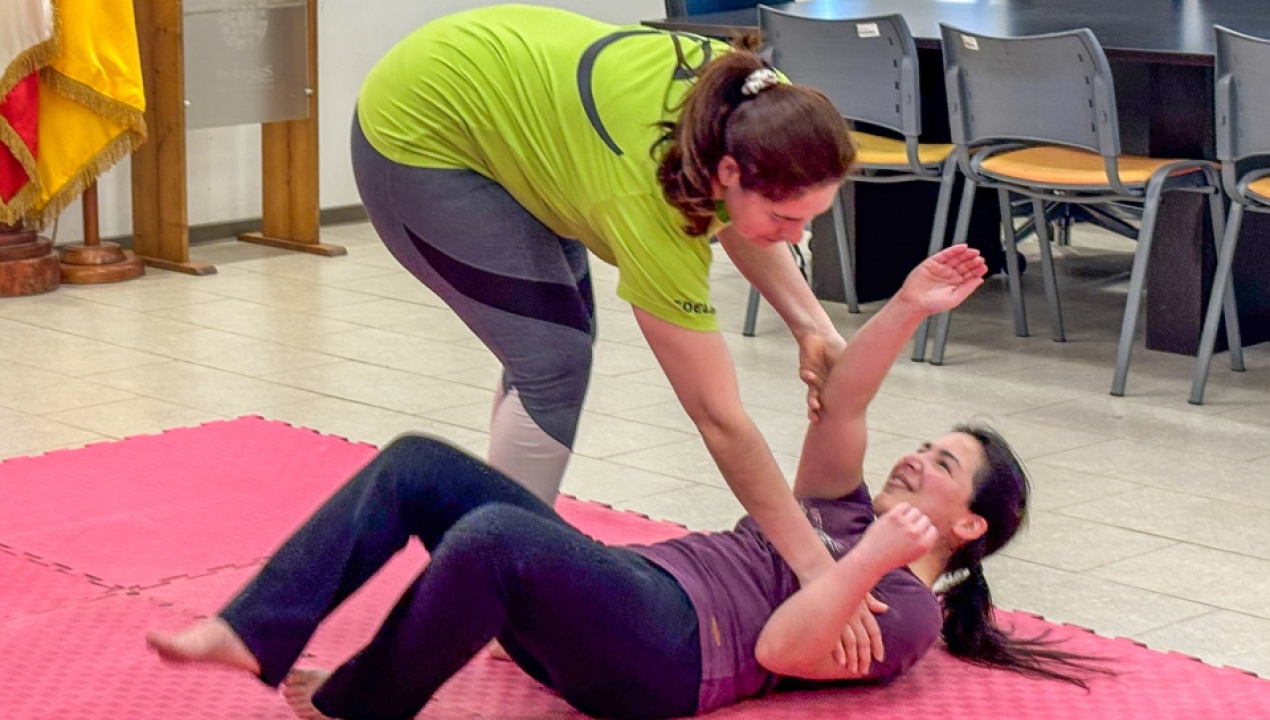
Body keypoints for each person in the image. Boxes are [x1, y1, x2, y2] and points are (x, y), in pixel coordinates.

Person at [147, 246, 1105, 720]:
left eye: (943, 466)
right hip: (623, 591)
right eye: (926, 445)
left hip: (667, 656)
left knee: (491, 541)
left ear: (968, 527)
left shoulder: (909, 611)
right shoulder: (844, 508)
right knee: (417, 465)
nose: (915, 459)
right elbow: (845, 400)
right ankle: (255, 629)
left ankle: (358, 705)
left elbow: (781, 645)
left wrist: (869, 563)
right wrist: (908, 304)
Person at [351, 4, 856, 594]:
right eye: (785, 218)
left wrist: (812, 325)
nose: (796, 237)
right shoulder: (650, 197)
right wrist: (815, 567)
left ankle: (500, 550)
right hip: (418, 130)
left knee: (557, 347)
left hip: (496, 93)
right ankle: (492, 584)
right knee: (553, 363)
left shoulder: (766, 107)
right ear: (728, 171)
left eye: (809, 219)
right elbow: (718, 417)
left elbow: (741, 213)